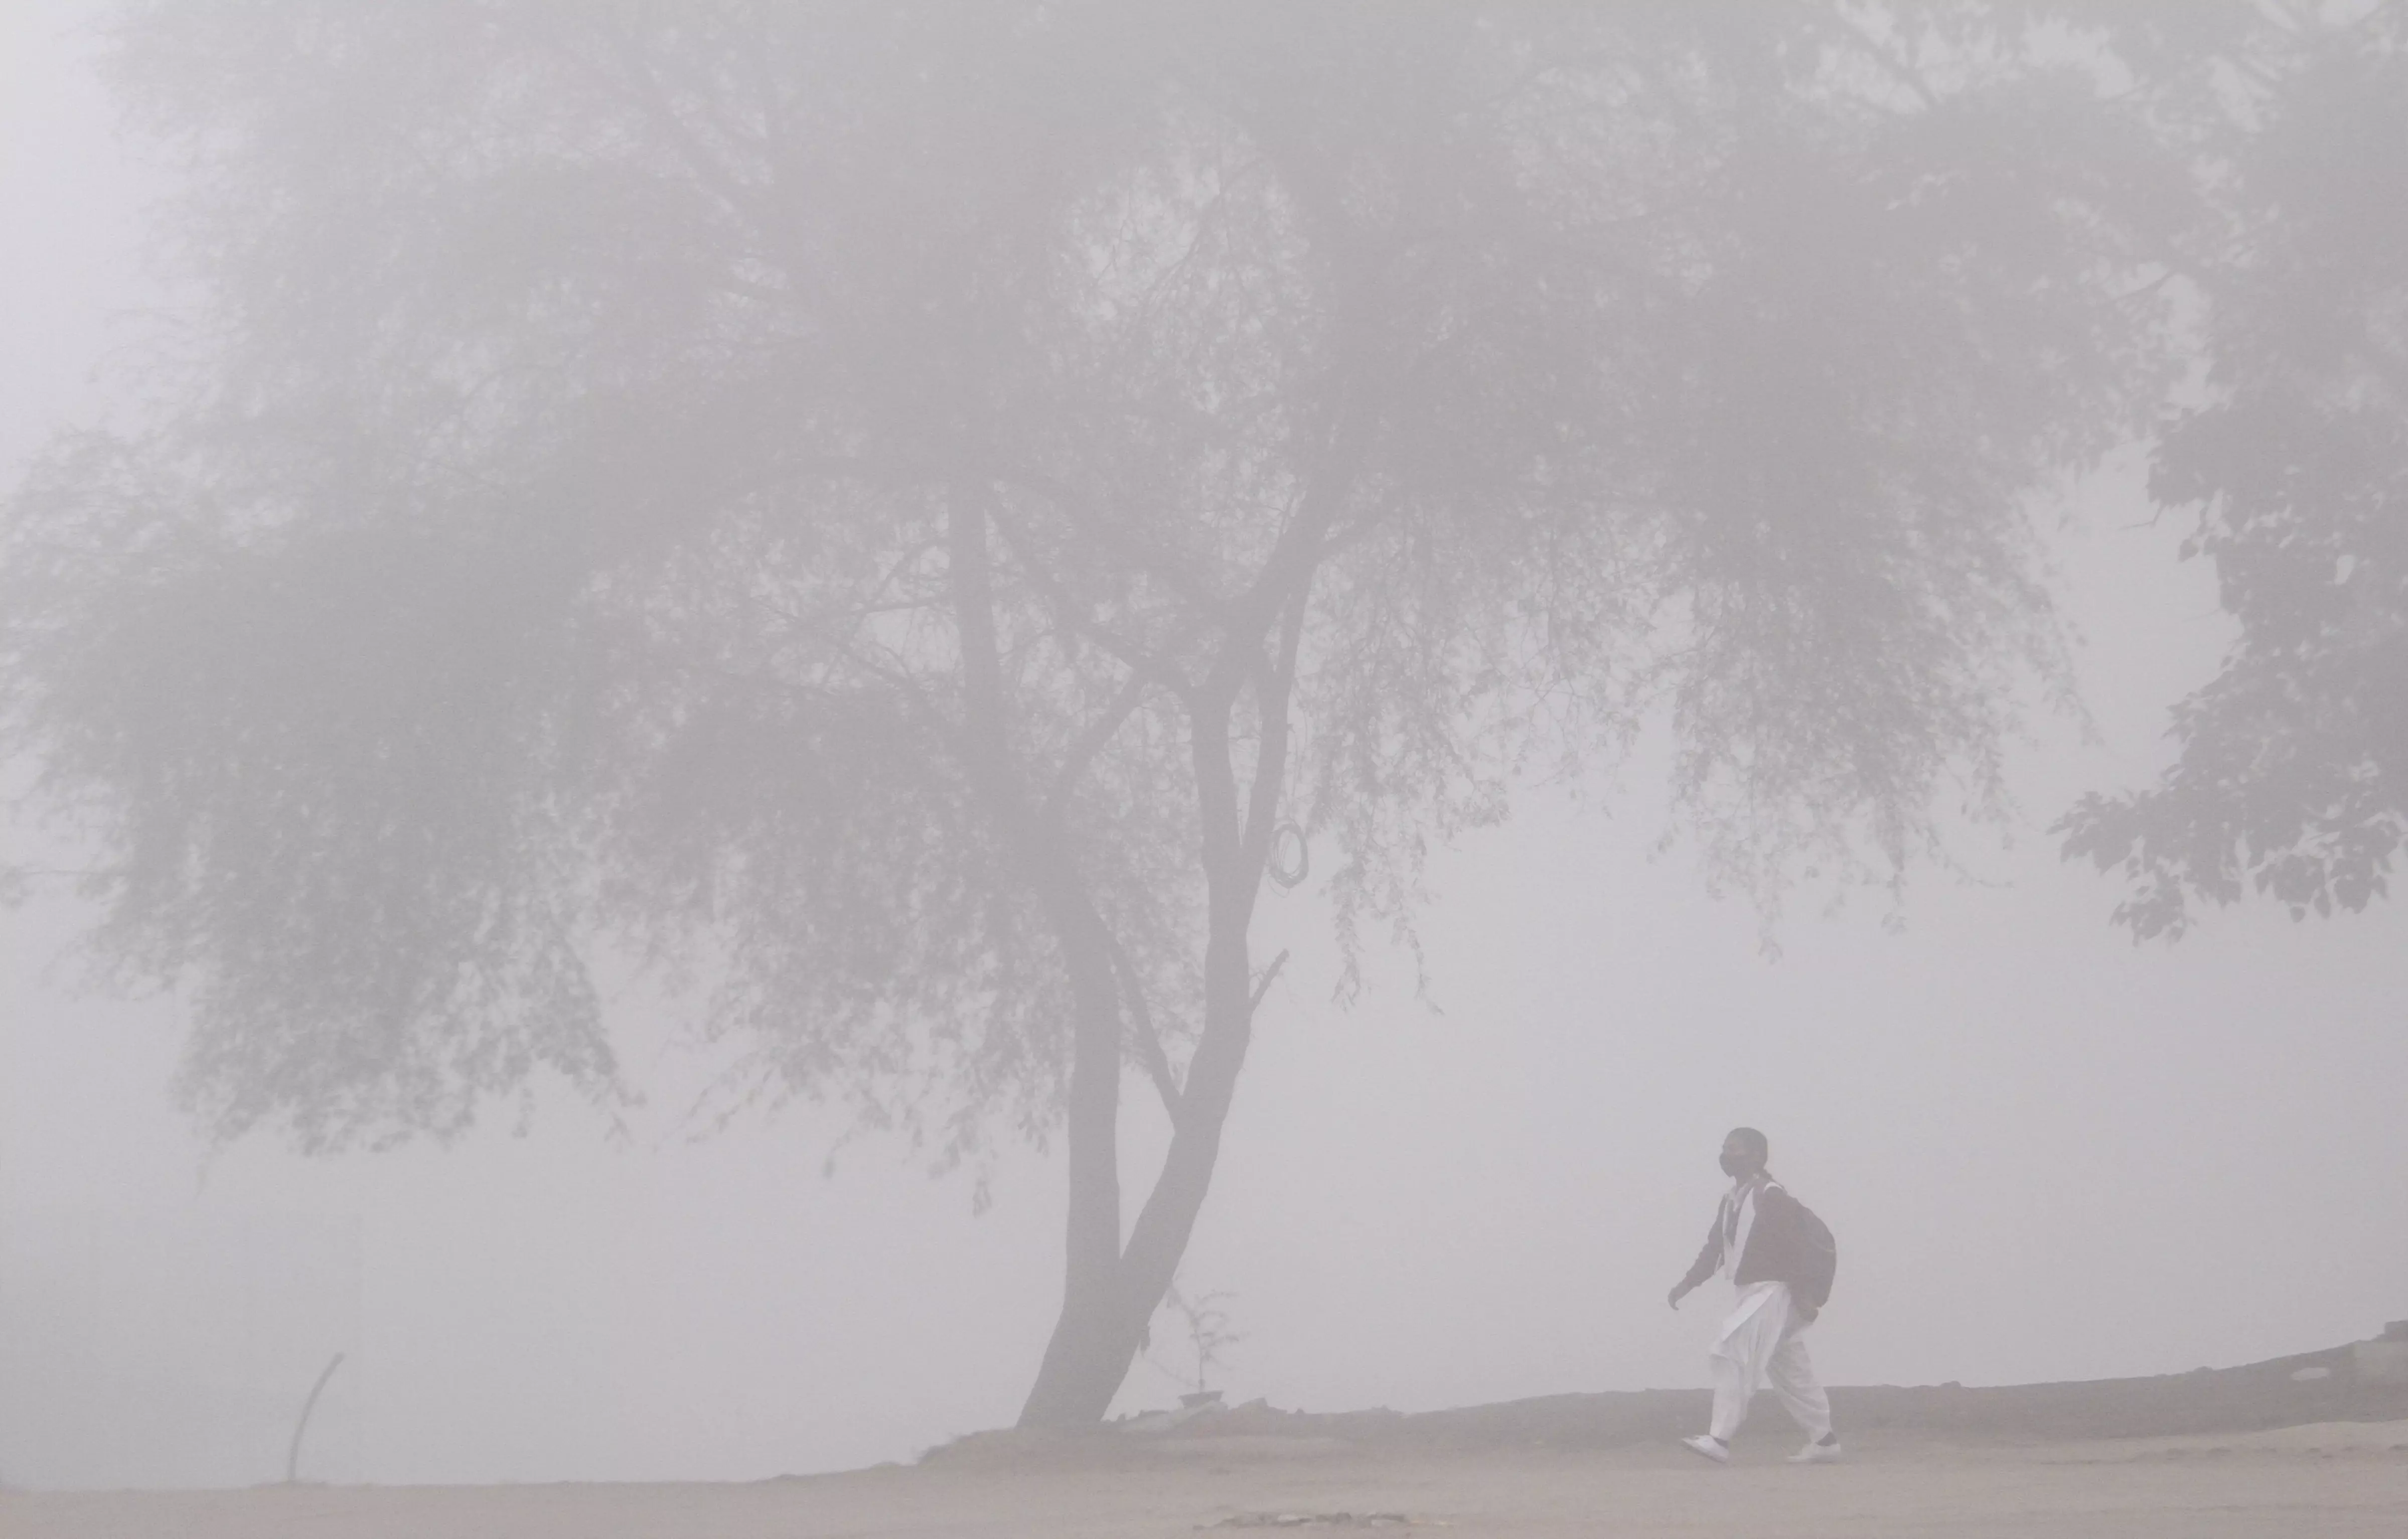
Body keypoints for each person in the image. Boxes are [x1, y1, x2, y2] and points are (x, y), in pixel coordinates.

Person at [1666, 1127, 1842, 1464]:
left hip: (1773, 1290)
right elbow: (1716, 1249)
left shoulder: (1771, 1195)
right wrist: (1687, 1284)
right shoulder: (1732, 1200)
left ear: (1757, 1155)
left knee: (1730, 1350)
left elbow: (1793, 1247)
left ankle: (1719, 1438)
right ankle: (1825, 1440)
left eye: (1735, 1149)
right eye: (1724, 1149)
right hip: (1753, 1291)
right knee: (1790, 1369)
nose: (1727, 1156)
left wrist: (1804, 1294)